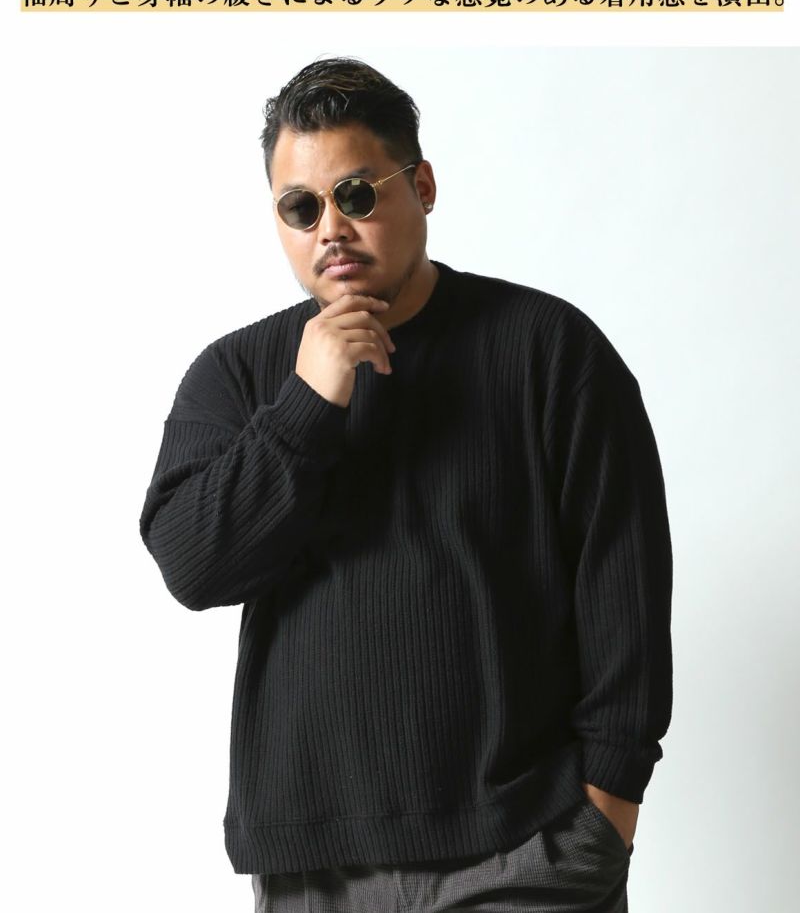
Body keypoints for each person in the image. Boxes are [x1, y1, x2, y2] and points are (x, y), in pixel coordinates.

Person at [139, 57, 673, 912]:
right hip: (316, 868)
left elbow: (624, 596)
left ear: (421, 186)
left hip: (525, 850)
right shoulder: (238, 375)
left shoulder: (549, 351)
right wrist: (307, 403)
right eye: (301, 208)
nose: (330, 230)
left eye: (356, 195)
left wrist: (604, 818)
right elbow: (195, 567)